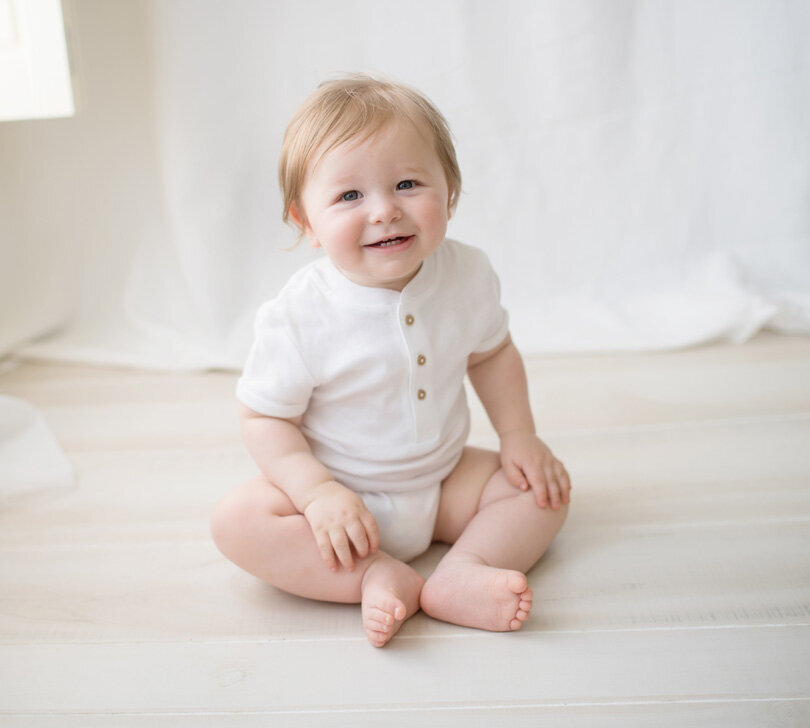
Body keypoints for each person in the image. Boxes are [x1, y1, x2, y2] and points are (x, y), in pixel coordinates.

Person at [211, 74, 570, 647]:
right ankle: (374, 573)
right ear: (306, 222)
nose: (384, 211)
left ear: (448, 191)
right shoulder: (300, 314)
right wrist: (316, 493)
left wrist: (519, 436)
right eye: (350, 196)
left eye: (407, 183)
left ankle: (462, 571)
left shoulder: (467, 275)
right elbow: (264, 417)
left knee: (541, 490)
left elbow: (493, 355)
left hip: (445, 480)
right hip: (341, 502)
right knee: (237, 521)